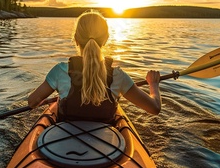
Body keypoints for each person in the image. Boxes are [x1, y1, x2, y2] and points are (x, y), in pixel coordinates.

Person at [28, 11, 161, 123]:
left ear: (76, 39)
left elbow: (32, 102)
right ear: (106, 39)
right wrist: (153, 84)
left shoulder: (60, 71)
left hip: (64, 144)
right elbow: (155, 108)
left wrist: (56, 95)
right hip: (106, 146)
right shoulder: (118, 76)